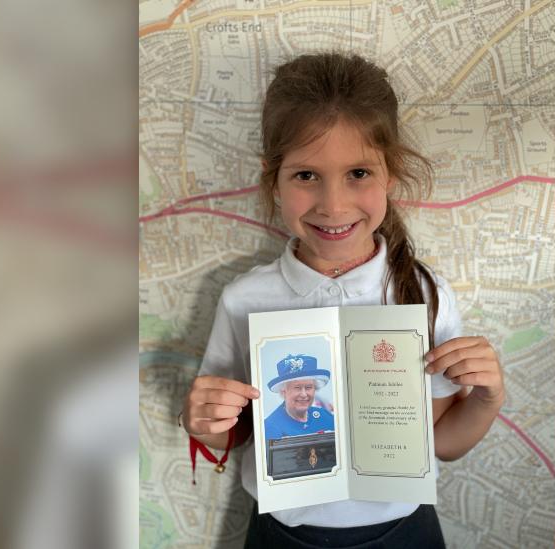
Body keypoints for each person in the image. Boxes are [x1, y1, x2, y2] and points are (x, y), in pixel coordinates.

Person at [182, 52, 505, 548]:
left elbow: (441, 443)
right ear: (273, 179)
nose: (333, 205)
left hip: (405, 531)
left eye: (358, 173)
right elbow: (236, 432)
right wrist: (204, 423)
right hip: (284, 535)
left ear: (390, 174)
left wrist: (486, 399)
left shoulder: (423, 294)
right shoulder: (244, 299)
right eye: (306, 175)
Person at [263, 354, 334, 440]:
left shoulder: (324, 416)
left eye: (308, 387)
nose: (304, 394)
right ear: (283, 392)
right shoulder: (271, 427)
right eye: (297, 388)